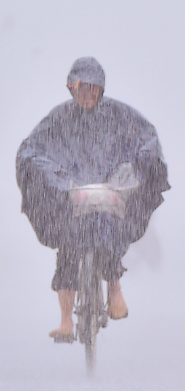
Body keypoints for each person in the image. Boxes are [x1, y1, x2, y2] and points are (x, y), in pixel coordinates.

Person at [16, 57, 170, 342]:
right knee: (69, 247)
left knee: (108, 232)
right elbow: (31, 151)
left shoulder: (120, 115)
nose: (87, 94)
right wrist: (56, 179)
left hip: (110, 197)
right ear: (71, 89)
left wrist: (131, 173)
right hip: (71, 199)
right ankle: (65, 320)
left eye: (93, 88)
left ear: (101, 89)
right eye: (81, 88)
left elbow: (146, 140)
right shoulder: (58, 119)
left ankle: (114, 290)